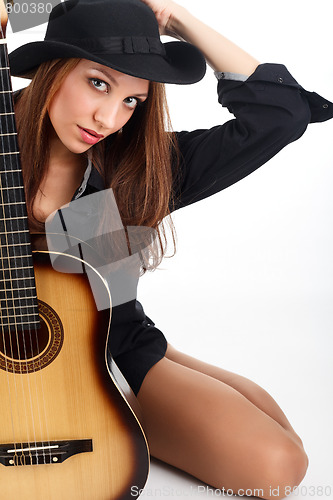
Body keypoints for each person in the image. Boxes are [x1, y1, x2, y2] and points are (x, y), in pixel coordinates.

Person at [8, 0, 332, 498]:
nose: (108, 117)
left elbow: (281, 115)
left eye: (132, 101)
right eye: (98, 83)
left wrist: (175, 20)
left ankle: (141, 386)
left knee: (279, 464)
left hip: (110, 349)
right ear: (53, 69)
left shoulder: (139, 169)